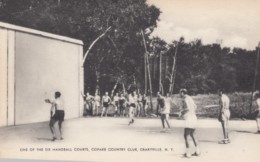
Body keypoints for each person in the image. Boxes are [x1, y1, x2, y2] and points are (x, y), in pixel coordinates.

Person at [180, 89, 200, 158]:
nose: (180, 94)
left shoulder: (185, 99)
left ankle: (188, 153)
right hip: (194, 117)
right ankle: (197, 151)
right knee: (193, 134)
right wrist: (191, 112)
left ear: (183, 93)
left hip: (189, 118)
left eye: (180, 93)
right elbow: (195, 106)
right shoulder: (190, 98)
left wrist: (181, 112)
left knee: (186, 135)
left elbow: (187, 108)